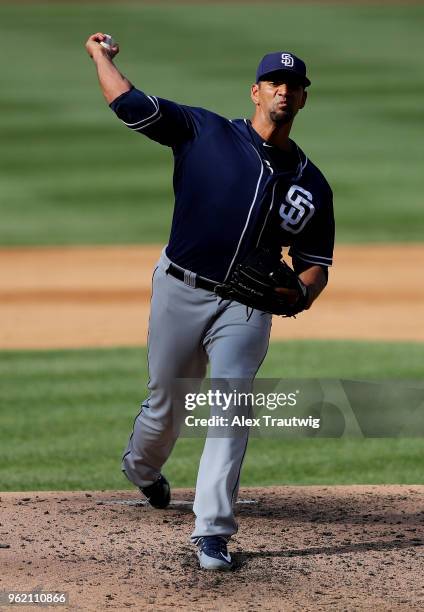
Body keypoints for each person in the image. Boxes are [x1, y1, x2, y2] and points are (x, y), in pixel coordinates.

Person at [85, 34, 335, 571]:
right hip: (180, 287)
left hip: (247, 310)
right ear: (255, 91)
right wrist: (100, 57)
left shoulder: (311, 185)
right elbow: (128, 103)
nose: (284, 92)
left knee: (231, 408)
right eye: (275, 83)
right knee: (166, 402)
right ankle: (143, 469)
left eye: (294, 86)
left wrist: (304, 293)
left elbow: (315, 262)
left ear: (304, 98)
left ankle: (212, 533)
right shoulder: (205, 131)